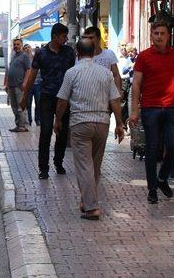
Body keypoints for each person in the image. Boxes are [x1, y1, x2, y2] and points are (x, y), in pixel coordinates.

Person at [54, 39, 125, 220]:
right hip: (102, 123)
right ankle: (87, 201)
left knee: (85, 166)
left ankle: (92, 207)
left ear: (77, 53)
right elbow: (115, 100)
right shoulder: (105, 73)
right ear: (94, 52)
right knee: (94, 165)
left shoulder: (72, 73)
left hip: (80, 123)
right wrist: (119, 123)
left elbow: (62, 100)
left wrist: (58, 120)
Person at [129, 21, 174, 205]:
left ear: (168, 35)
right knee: (152, 150)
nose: (159, 36)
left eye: (162, 33)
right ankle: (152, 189)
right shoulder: (144, 57)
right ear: (152, 36)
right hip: (150, 108)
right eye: (156, 33)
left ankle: (162, 178)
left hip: (171, 108)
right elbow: (136, 84)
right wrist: (134, 110)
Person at [20, 23, 75, 179]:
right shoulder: (41, 53)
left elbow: (73, 74)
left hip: (64, 98)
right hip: (46, 97)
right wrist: (24, 97)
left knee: (63, 132)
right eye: (64, 36)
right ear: (55, 37)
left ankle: (58, 162)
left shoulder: (69, 52)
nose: (66, 39)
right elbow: (32, 75)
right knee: (45, 132)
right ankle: (43, 168)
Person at [81, 26, 122, 94]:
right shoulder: (81, 56)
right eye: (85, 38)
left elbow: (116, 75)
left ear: (99, 38)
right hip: (87, 95)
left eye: (91, 37)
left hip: (105, 94)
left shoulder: (109, 54)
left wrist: (118, 90)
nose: (88, 40)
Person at [4, 38, 30, 132]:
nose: (16, 46)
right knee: (14, 107)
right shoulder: (14, 56)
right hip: (11, 86)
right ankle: (18, 125)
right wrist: (6, 84)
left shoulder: (25, 56)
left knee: (20, 107)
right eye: (14, 44)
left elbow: (28, 70)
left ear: (22, 45)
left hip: (19, 86)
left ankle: (22, 126)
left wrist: (25, 82)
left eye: (18, 44)